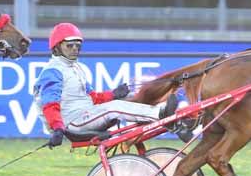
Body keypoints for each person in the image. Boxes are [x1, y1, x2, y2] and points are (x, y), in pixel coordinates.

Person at [34, 23, 178, 148]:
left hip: (87, 115)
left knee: (128, 98)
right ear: (57, 47)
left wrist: (114, 94)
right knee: (113, 107)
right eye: (70, 45)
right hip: (73, 124)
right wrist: (58, 129)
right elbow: (50, 105)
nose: (75, 49)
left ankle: (163, 111)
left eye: (78, 46)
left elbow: (93, 98)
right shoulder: (53, 71)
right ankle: (160, 114)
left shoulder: (77, 68)